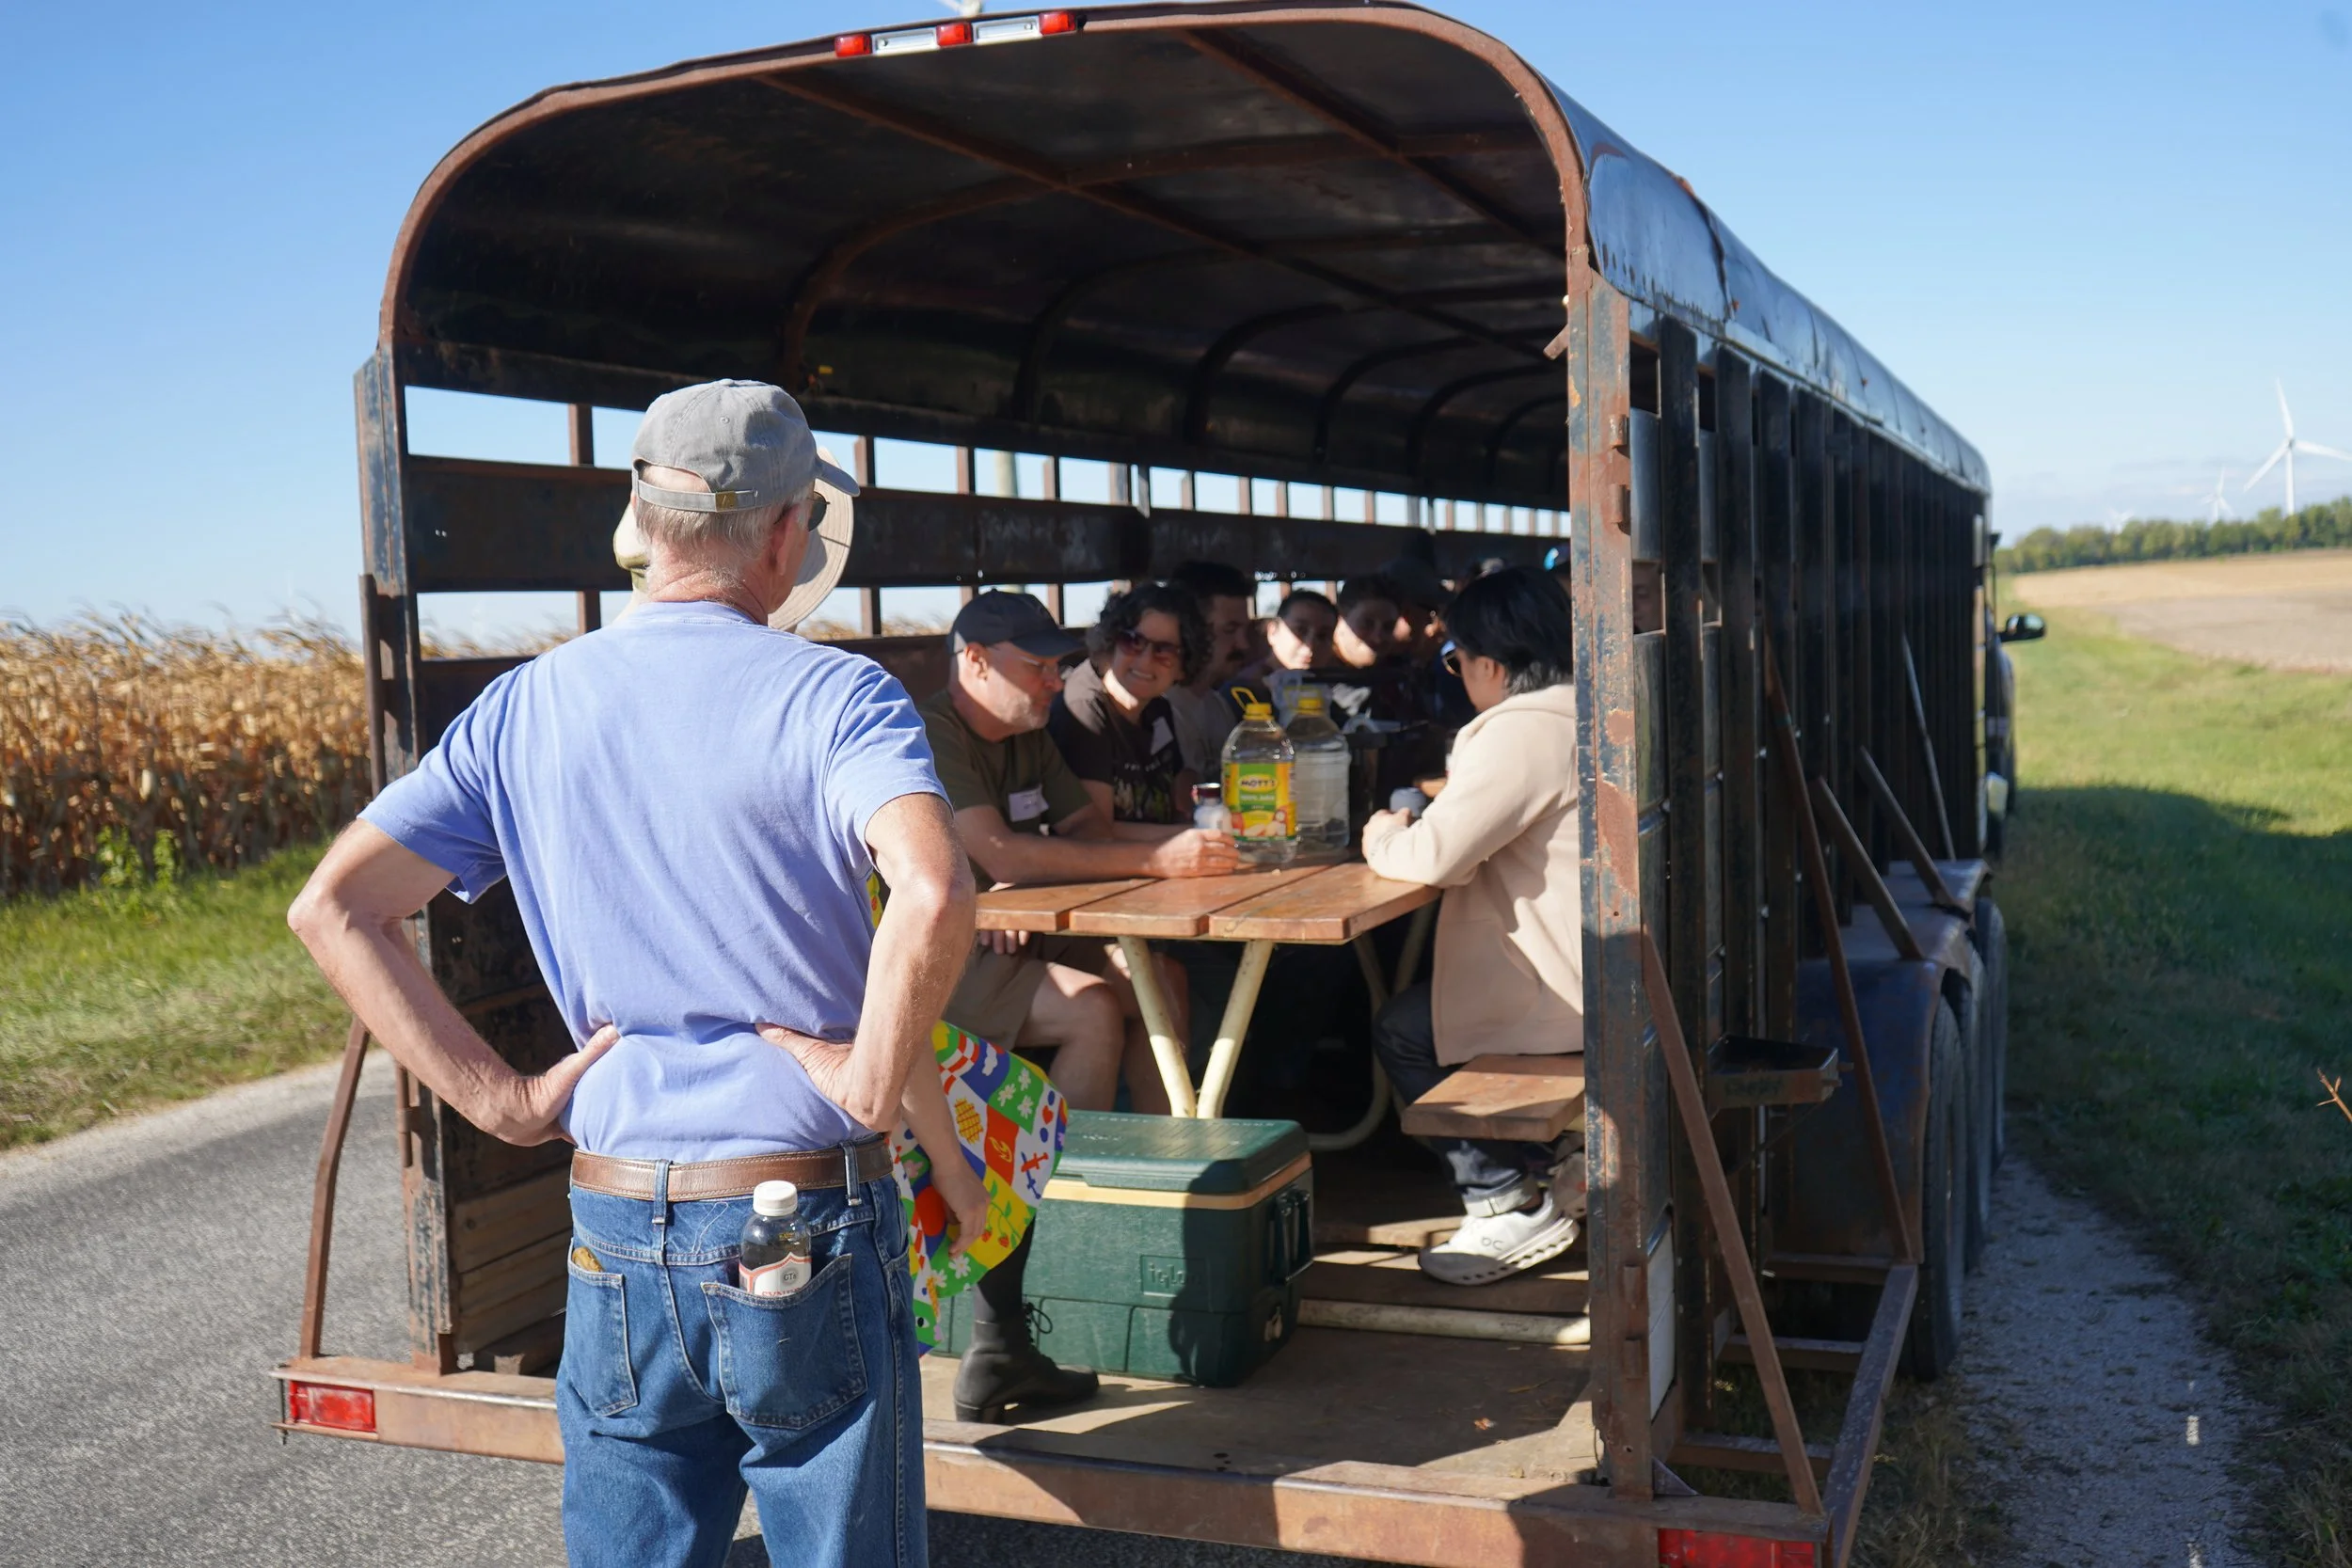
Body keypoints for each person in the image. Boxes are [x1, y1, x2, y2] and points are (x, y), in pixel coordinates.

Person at [288, 380, 980, 1568]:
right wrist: (870, 1084)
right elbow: (933, 887)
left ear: (643, 525)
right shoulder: (840, 695)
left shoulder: (523, 706)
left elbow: (333, 907)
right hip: (801, 1204)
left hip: (615, 1217)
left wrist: (502, 1100)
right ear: (785, 532)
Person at [919, 589, 1242, 1421]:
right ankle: (1067, 1213)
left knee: (1158, 982)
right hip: (937, 958)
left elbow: (1081, 836)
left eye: (1059, 664)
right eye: (1037, 665)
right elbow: (998, 852)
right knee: (1096, 1006)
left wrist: (1190, 849)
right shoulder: (935, 732)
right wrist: (1159, 861)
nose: (1054, 680)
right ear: (974, 662)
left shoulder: (1026, 731)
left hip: (1018, 933)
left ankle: (1161, 1183)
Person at [1359, 566, 1585, 1286]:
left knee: (1402, 1030)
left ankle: (1507, 1199)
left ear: (1490, 662)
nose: (1457, 676)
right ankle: (1554, 1164)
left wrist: (1382, 830)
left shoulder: (1521, 731)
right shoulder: (1585, 709)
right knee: (1416, 1014)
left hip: (1562, 990)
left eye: (1456, 661)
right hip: (1596, 968)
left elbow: (1433, 856)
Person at [1048, 582, 1207, 826]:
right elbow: (1095, 831)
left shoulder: (1157, 709)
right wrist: (1193, 836)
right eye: (1132, 641)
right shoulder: (1082, 709)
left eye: (1164, 651)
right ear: (1111, 642)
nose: (1145, 660)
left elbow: (1178, 800)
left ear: (1183, 667)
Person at [1164, 560, 1257, 775]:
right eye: (1230, 630)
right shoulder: (1161, 712)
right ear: (1191, 630)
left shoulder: (1217, 706)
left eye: (1245, 630)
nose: (1244, 644)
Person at [1260, 588, 1337, 673]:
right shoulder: (1251, 679)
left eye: (1323, 635)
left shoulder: (1335, 678)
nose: (1310, 645)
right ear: (1273, 632)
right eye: (1300, 630)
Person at [1334, 575, 1403, 669]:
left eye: (1388, 627)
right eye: (1366, 624)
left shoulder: (1404, 671)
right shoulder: (1316, 670)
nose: (1378, 638)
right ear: (1338, 620)